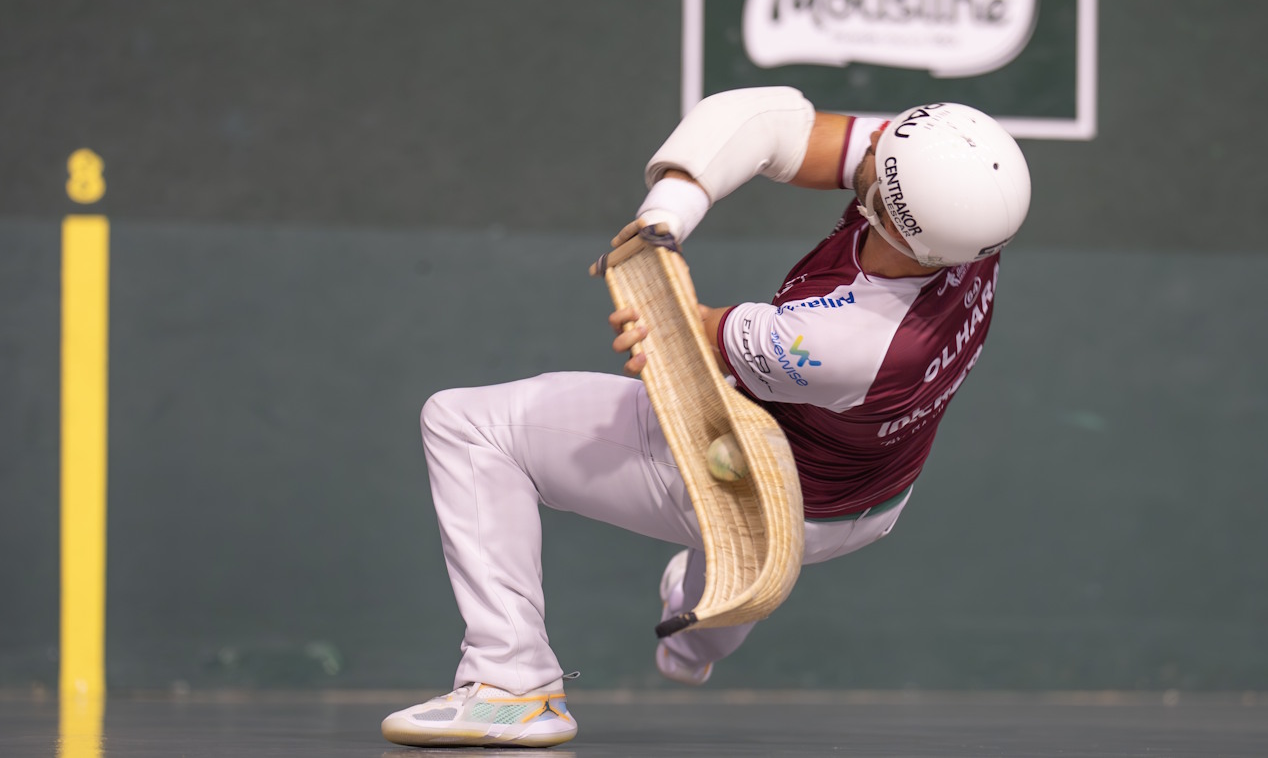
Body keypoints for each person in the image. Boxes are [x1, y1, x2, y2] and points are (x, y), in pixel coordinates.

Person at [380, 87, 1031, 748]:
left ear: (889, 216)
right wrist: (664, 217)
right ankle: (699, 639)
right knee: (730, 588)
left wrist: (651, 300)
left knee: (466, 426)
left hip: (755, 491)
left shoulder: (843, 344)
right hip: (869, 500)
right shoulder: (965, 218)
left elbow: (678, 331)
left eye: (879, 157)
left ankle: (511, 686)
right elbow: (771, 125)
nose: (870, 143)